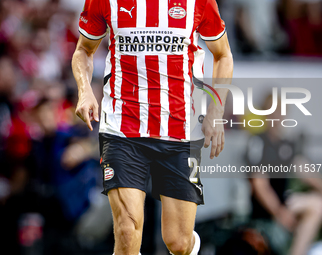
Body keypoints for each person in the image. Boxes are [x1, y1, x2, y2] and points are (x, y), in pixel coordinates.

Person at [71, 0, 233, 254]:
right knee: (126, 230)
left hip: (180, 130)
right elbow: (83, 50)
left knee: (178, 242)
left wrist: (216, 108)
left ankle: (191, 245)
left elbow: (223, 54)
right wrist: (85, 91)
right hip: (122, 128)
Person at [245, 94, 322, 255]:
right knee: (317, 205)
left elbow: (305, 170)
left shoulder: (284, 145)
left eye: (281, 112)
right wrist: (279, 212)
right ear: (265, 114)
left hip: (286, 200)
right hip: (267, 209)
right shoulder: (259, 143)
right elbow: (259, 184)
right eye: (274, 111)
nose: (278, 116)